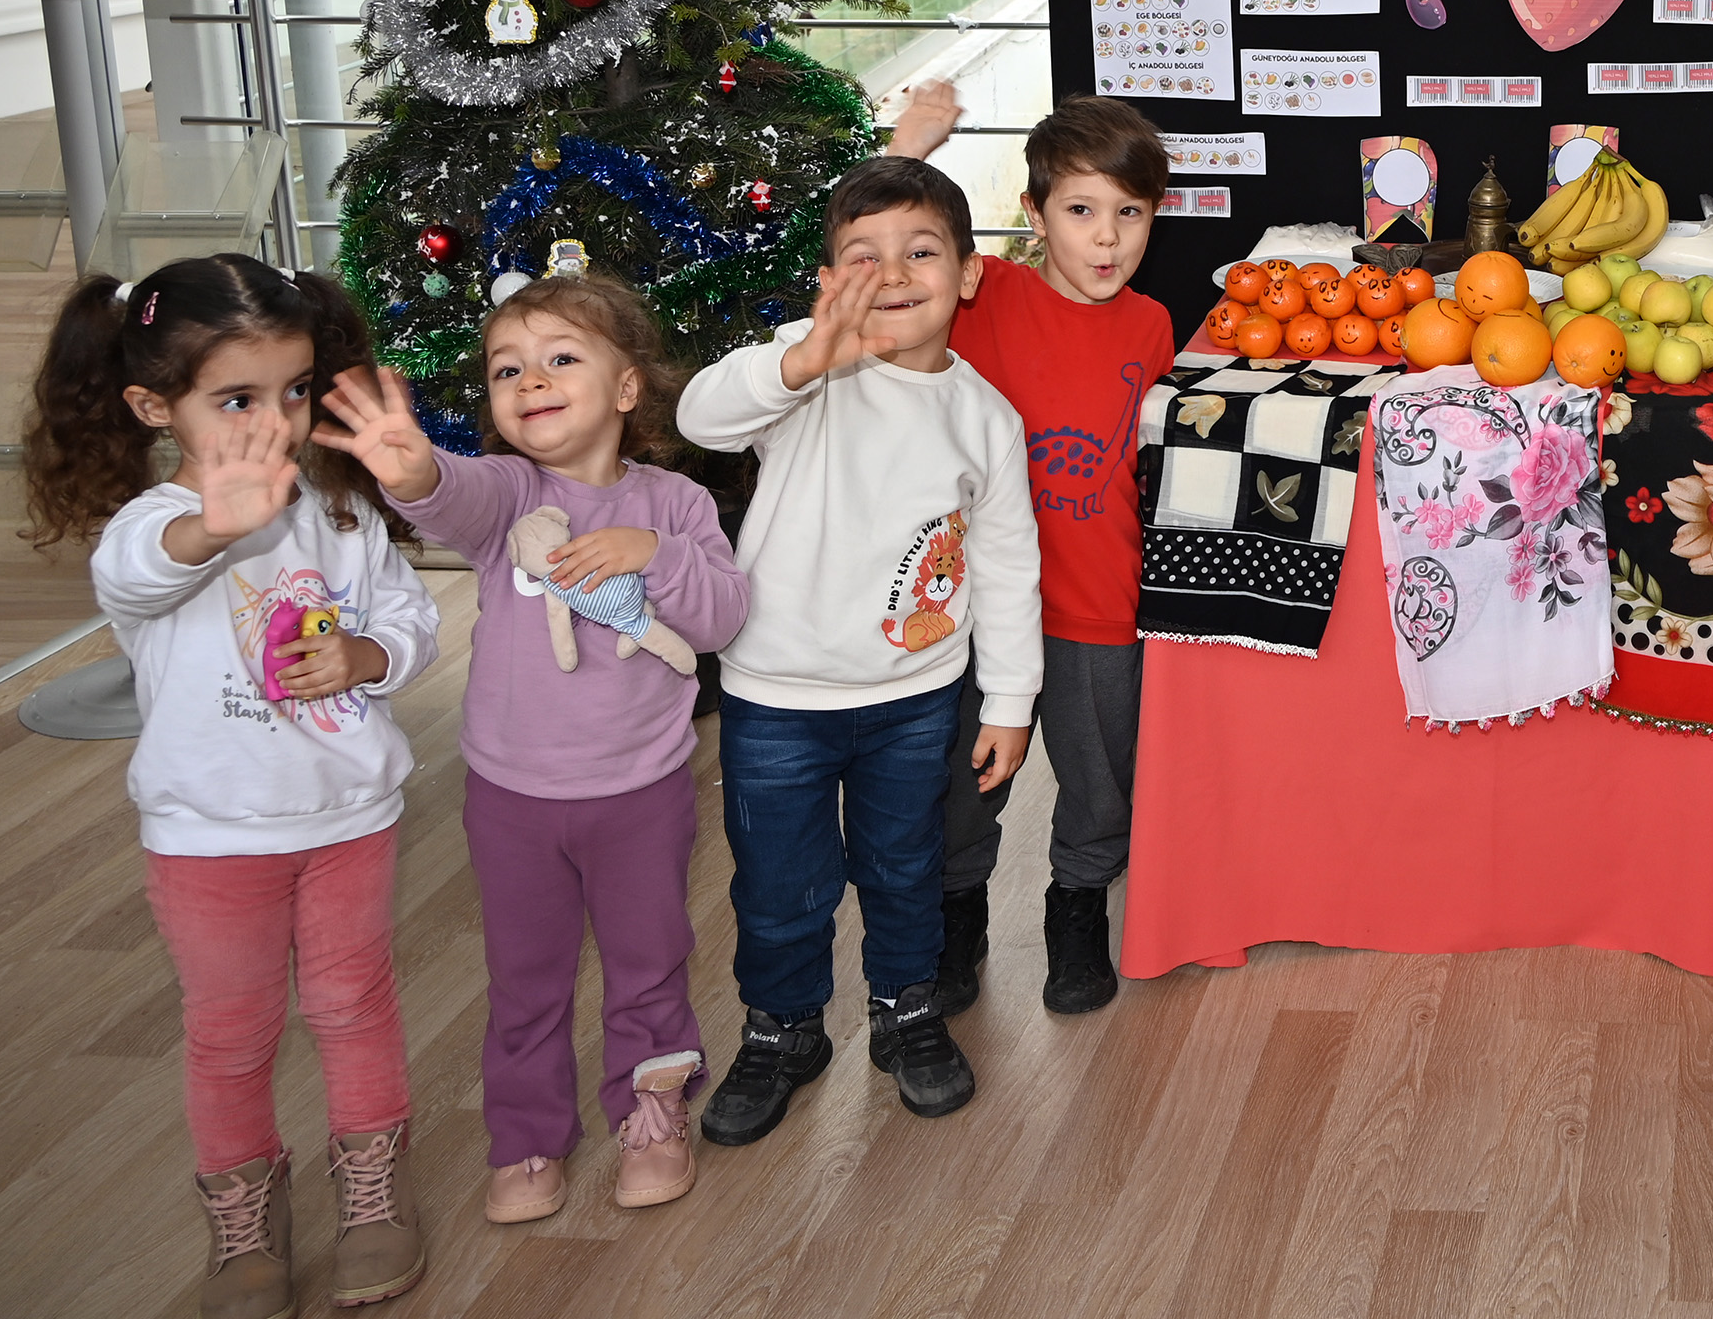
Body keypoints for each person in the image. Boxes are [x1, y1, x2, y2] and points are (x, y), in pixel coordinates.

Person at [22, 255, 439, 1318]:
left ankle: (371, 1198)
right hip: (207, 837)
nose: (275, 423)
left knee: (353, 1007)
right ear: (155, 407)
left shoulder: (340, 511)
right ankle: (246, 1224)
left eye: (295, 392)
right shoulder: (151, 526)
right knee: (228, 1028)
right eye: (237, 401)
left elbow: (408, 615)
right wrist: (220, 519)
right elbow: (140, 575)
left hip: (350, 816)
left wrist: (370, 658)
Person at [310, 278, 749, 1224]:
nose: (530, 380)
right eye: (508, 368)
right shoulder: (509, 493)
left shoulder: (673, 504)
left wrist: (652, 555)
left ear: (628, 389)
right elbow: (450, 496)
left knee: (649, 963)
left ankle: (652, 1109)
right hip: (511, 798)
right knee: (525, 978)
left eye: (560, 358)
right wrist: (412, 470)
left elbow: (721, 619)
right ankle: (527, 1138)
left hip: (641, 793)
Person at [676, 156, 1042, 1141]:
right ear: (829, 283)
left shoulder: (984, 417)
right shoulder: (806, 370)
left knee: (903, 866)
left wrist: (1009, 702)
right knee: (777, 884)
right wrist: (799, 362)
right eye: (862, 255)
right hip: (775, 697)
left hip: (914, 698)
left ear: (967, 273)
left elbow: (1007, 567)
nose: (893, 272)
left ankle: (906, 1010)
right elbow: (697, 415)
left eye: (920, 250)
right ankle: (783, 1027)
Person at [883, 84, 1177, 1018]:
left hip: (1100, 600)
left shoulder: (1153, 325)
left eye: (1129, 214)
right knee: (965, 780)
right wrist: (911, 145)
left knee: (1103, 779)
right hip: (978, 606)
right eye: (1081, 212)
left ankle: (1077, 908)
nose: (1106, 238)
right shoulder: (987, 294)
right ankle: (957, 913)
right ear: (1034, 215)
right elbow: (886, 258)